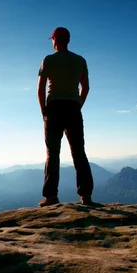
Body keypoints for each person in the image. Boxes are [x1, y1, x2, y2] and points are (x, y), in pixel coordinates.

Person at [37, 27, 94, 207]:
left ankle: (50, 196)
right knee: (78, 151)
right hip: (72, 108)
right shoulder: (80, 61)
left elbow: (41, 88)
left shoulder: (48, 60)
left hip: (53, 108)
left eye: (52, 40)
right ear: (68, 41)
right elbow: (85, 87)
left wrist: (43, 110)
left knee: (52, 153)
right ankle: (85, 195)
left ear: (55, 40)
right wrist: (78, 104)